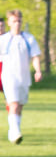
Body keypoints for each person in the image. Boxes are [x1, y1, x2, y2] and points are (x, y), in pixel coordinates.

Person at [0, 10, 42, 144]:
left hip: (23, 77)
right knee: (13, 103)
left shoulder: (29, 39)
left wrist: (38, 71)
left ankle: (14, 129)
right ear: (9, 22)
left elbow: (35, 56)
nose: (17, 24)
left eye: (19, 21)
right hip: (8, 76)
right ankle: (15, 131)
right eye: (14, 21)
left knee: (19, 105)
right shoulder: (4, 39)